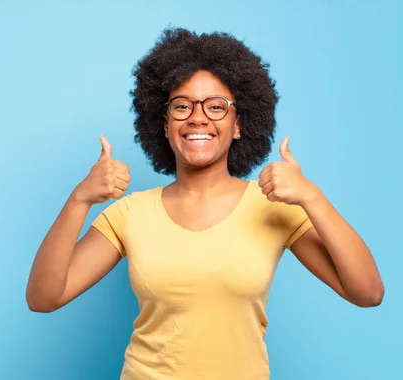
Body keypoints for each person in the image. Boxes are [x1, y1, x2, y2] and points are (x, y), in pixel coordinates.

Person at [26, 27, 384, 380]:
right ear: (164, 125)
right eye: (182, 106)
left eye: (216, 107)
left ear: (239, 124)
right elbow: (44, 298)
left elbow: (367, 292)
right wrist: (80, 199)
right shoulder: (130, 214)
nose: (198, 117)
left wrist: (311, 196)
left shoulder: (273, 206)